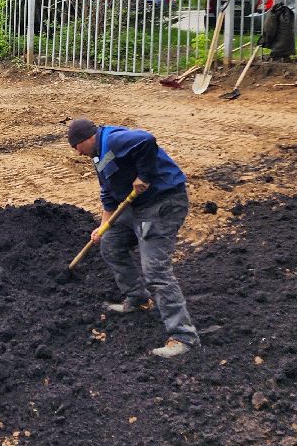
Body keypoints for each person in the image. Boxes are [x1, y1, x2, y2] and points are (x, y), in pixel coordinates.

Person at [66, 117, 199, 359]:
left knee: (155, 270)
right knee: (111, 243)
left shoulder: (115, 139)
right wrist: (103, 226)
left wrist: (145, 176)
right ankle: (137, 299)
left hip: (162, 203)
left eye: (76, 146)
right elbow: (108, 192)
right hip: (136, 208)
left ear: (87, 138)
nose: (76, 152)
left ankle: (184, 336)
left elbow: (147, 140)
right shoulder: (98, 155)